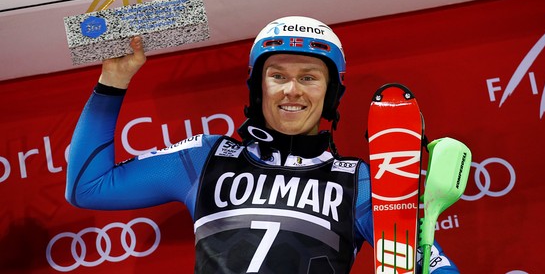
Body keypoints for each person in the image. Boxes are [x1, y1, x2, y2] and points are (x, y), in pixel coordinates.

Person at [66, 16, 460, 273]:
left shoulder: (359, 183)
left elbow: (433, 264)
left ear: (331, 94)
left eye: (309, 77)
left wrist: (427, 256)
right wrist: (113, 81)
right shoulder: (206, 158)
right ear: (258, 88)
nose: (292, 90)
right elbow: (87, 187)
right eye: (277, 75)